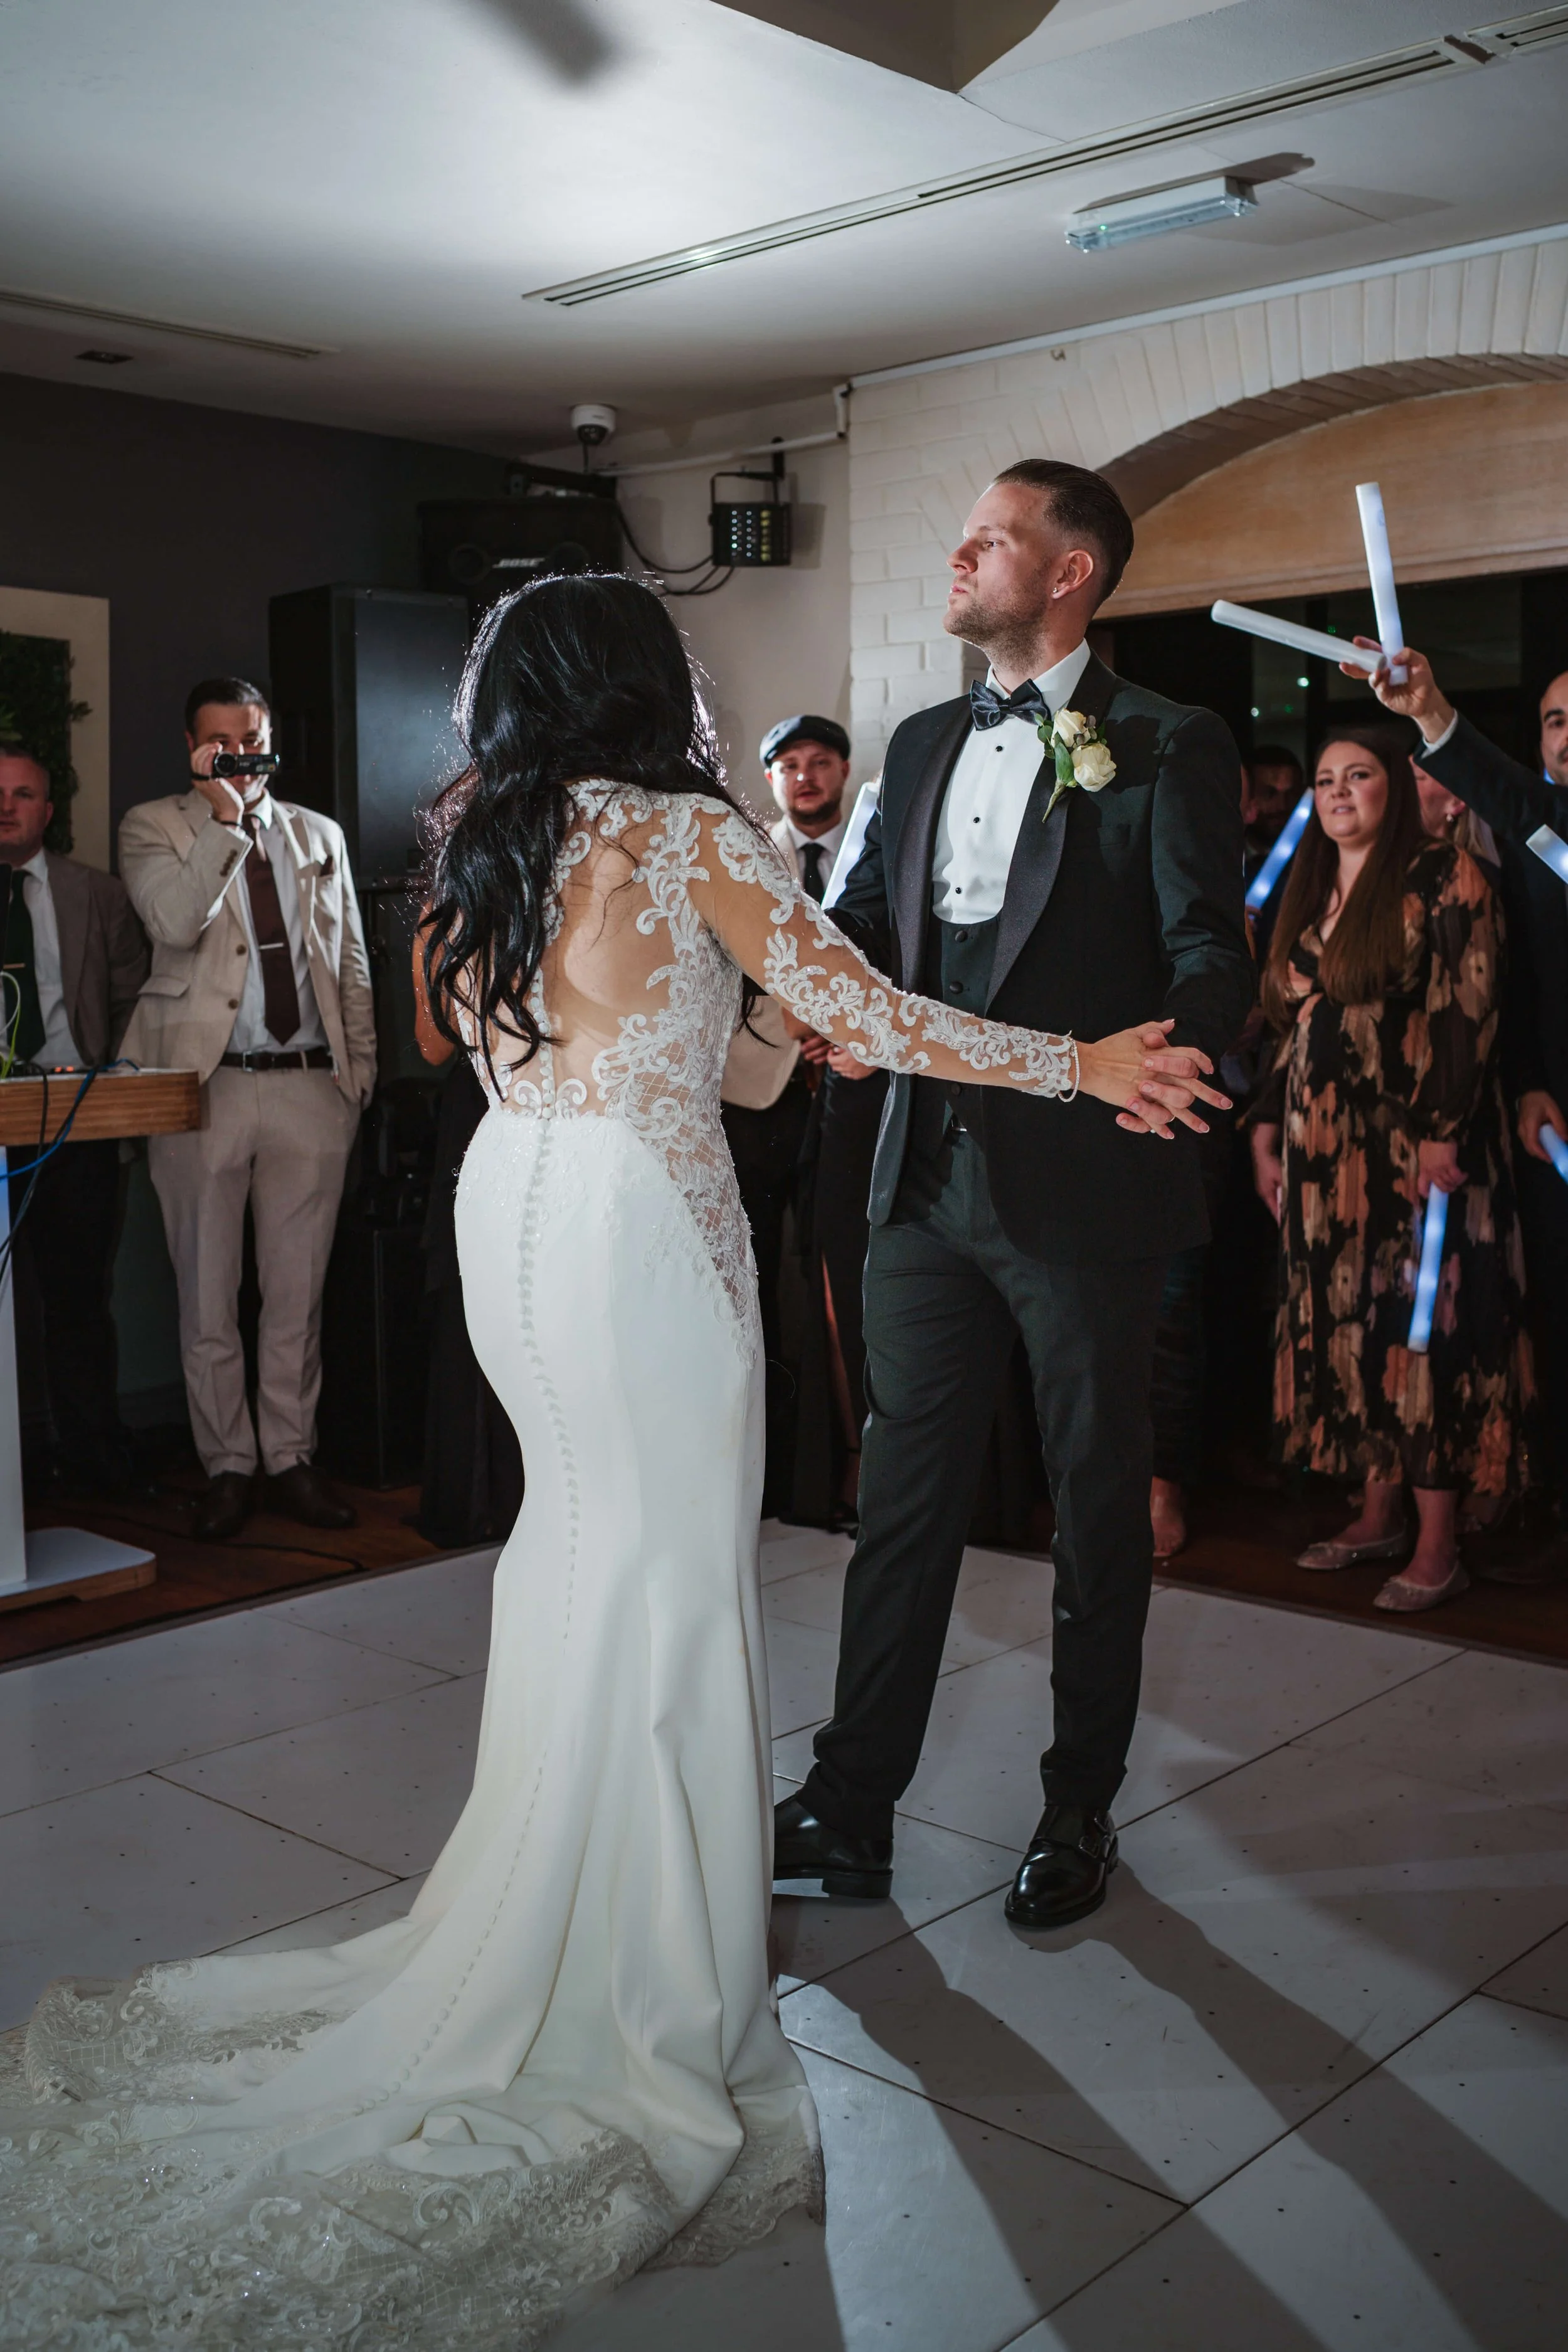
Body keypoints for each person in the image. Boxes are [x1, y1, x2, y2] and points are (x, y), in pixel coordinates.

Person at [0, 573, 1222, 2344]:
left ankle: (561, 1905)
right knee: (659, 1581)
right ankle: (653, 1979)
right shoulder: (683, 825)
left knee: (575, 1560)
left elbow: (610, 1054)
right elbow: (870, 1018)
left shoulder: (489, 837)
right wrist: (1073, 1058)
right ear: (647, 685)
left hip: (524, 1207)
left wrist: (750, 1019)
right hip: (645, 1231)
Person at [776, 458, 1253, 1931]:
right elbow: (861, 928)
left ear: (1070, 574)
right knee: (899, 1500)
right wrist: (824, 999)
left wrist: (1165, 1064)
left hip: (1088, 1191)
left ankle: (1077, 1806)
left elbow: (1208, 950)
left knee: (1095, 1511)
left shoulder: (1169, 742)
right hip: (920, 1173)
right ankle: (851, 1806)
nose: (959, 552)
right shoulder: (917, 743)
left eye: (990, 537)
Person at [1248, 725, 1534, 1611]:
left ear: (1398, 790)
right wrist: (1265, 1129)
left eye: (1360, 776)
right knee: (1348, 1327)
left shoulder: (1446, 876)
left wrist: (1443, 1133)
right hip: (1320, 1163)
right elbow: (1289, 1027)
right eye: (1326, 779)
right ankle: (1378, 1511)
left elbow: (1468, 1005)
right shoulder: (1310, 886)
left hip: (1418, 1152)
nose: (1338, 793)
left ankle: (1440, 1541)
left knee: (1426, 1333)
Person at [118, 676, 375, 1539]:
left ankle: (291, 1457)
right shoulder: (155, 826)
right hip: (202, 1087)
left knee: (298, 1297)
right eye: (222, 741)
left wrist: (359, 1076)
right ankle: (227, 1463)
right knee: (207, 1297)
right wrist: (226, 821)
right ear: (193, 745)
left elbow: (351, 965)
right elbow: (173, 921)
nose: (241, 753)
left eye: (253, 736)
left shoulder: (319, 834)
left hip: (312, 1087)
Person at [1349, 642, 1568, 1549]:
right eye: (1557, 719)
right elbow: (1518, 983)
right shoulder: (1546, 832)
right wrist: (1528, 1082)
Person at [0, 739, 147, 1493]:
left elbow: (134, 1001)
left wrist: (98, 1077)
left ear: (47, 811)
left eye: (22, 794)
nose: (7, 806)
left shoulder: (96, 894)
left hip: (73, 1126)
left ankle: (93, 1462)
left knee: (79, 1302)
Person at [718, 715, 851, 1508]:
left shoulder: (872, 843)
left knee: (840, 1286)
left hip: (852, 1086)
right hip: (757, 1094)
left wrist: (842, 1033)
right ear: (770, 779)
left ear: (841, 769)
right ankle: (763, 1475)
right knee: (755, 1278)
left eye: (820, 762)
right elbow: (724, 968)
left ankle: (845, 1461)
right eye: (788, 765)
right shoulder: (740, 856)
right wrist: (798, 1026)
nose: (805, 777)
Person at [1243, 742, 1305, 863]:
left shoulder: (1315, 860)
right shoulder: (1222, 859)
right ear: (1247, 795)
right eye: (1269, 793)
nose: (1282, 805)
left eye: (1292, 794)